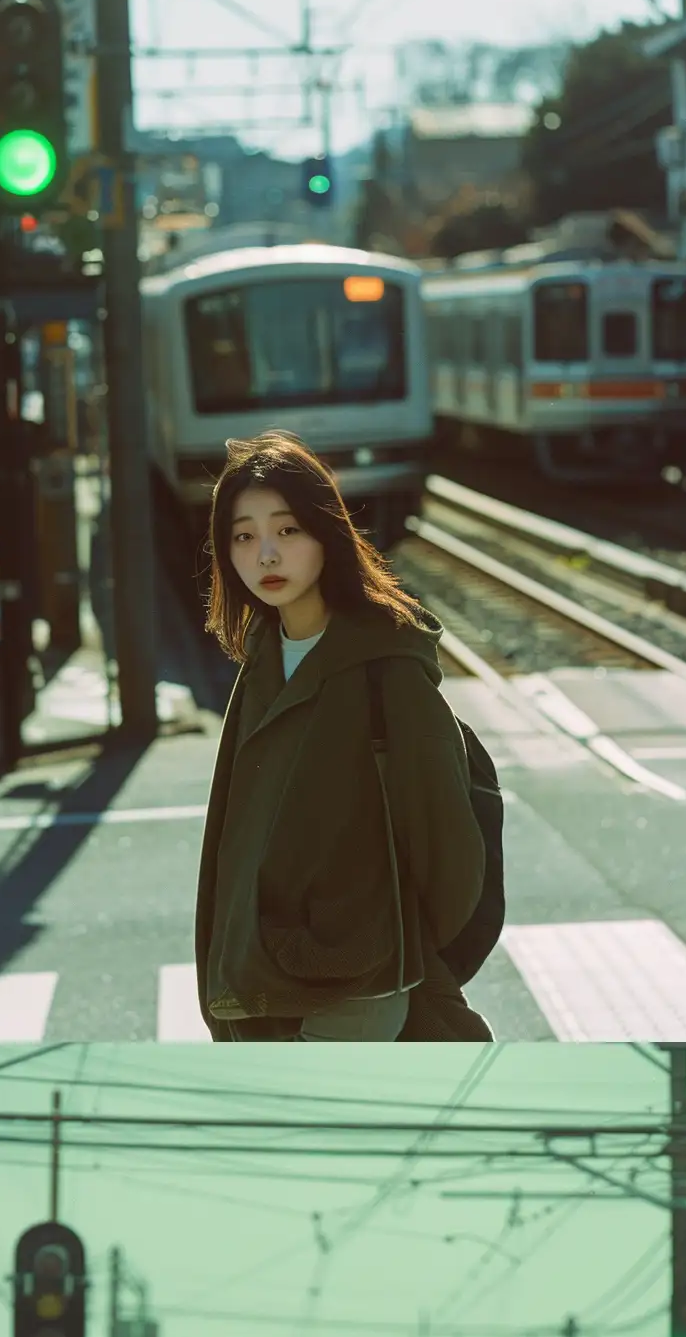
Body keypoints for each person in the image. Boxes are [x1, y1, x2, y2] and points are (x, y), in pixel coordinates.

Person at [193, 431, 491, 1043]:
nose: (266, 555)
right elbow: (233, 841)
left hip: (355, 990)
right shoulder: (261, 665)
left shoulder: (388, 670)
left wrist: (387, 947)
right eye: (244, 537)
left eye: (287, 530)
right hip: (263, 988)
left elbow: (450, 854)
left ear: (326, 532)